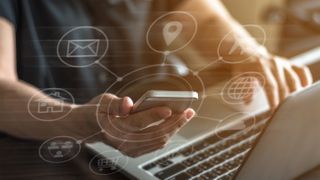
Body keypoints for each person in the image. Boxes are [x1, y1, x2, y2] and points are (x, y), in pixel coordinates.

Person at [0, 0, 313, 157]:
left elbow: (197, 12)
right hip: (47, 148)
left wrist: (246, 53)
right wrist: (83, 123)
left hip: (162, 134)